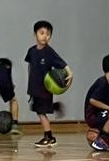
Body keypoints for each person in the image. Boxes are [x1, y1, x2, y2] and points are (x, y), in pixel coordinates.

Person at [25, 20, 73, 148]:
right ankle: (54, 108)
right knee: (39, 111)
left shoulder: (49, 51)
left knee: (41, 112)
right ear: (35, 35)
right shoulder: (31, 51)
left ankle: (49, 137)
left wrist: (70, 73)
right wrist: (30, 84)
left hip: (44, 89)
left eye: (48, 34)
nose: (45, 36)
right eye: (42, 33)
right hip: (34, 88)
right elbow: (30, 67)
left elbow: (63, 64)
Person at [84, 53, 109, 152]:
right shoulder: (102, 83)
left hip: (101, 113)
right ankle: (101, 140)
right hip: (92, 116)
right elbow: (92, 100)